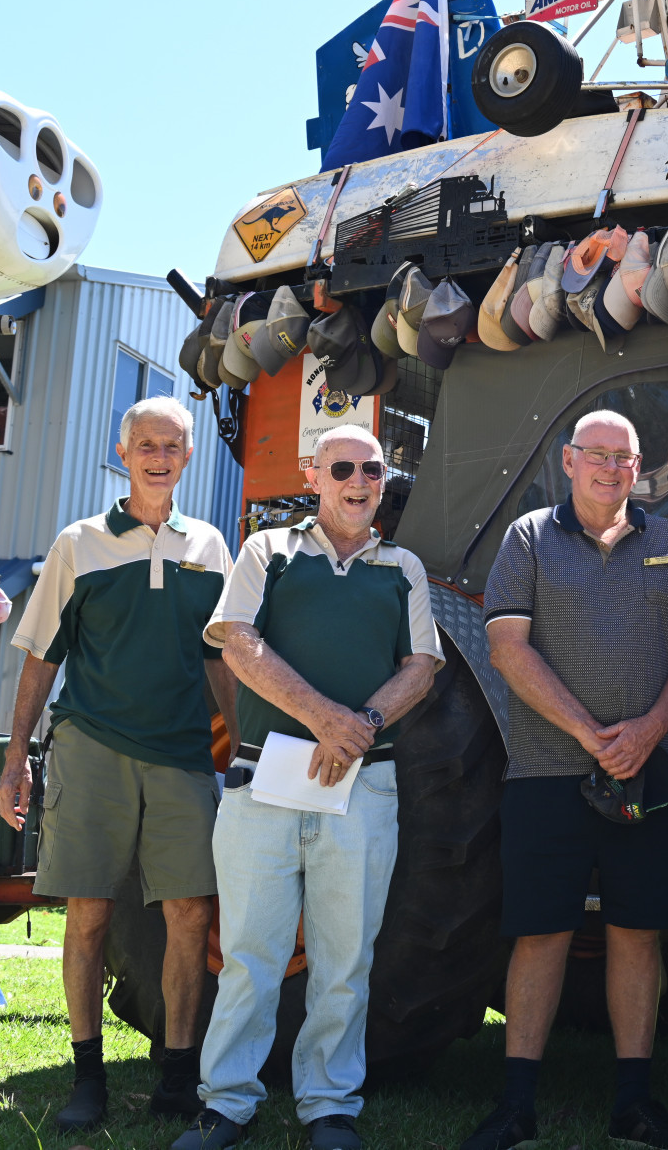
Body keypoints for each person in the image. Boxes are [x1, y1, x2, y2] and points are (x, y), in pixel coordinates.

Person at [174, 424, 443, 1150]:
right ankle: (225, 1103)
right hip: (263, 780)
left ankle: (329, 1104)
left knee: (345, 958)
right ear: (313, 475)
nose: (360, 481)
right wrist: (327, 719)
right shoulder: (269, 551)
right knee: (251, 955)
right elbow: (237, 639)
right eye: (345, 468)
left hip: (364, 782)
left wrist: (364, 722)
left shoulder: (404, 567)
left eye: (374, 470)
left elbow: (422, 666)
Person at [461, 411, 668, 1150]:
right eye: (597, 454)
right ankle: (516, 1108)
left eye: (624, 457)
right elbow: (507, 647)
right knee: (540, 933)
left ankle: (634, 1106)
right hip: (548, 772)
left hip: (650, 772)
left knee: (639, 934)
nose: (611, 468)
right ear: (569, 461)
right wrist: (589, 733)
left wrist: (647, 730)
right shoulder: (528, 538)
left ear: (640, 468)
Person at [0, 396, 236, 1131]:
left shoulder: (210, 547)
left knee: (192, 911)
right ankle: (87, 1076)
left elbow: (220, 662)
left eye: (173, 445)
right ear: (123, 453)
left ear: (189, 455)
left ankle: (176, 1075)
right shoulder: (80, 542)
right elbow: (42, 658)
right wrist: (16, 758)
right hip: (91, 746)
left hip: (183, 755)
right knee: (89, 912)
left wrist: (249, 747)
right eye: (146, 445)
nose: (160, 456)